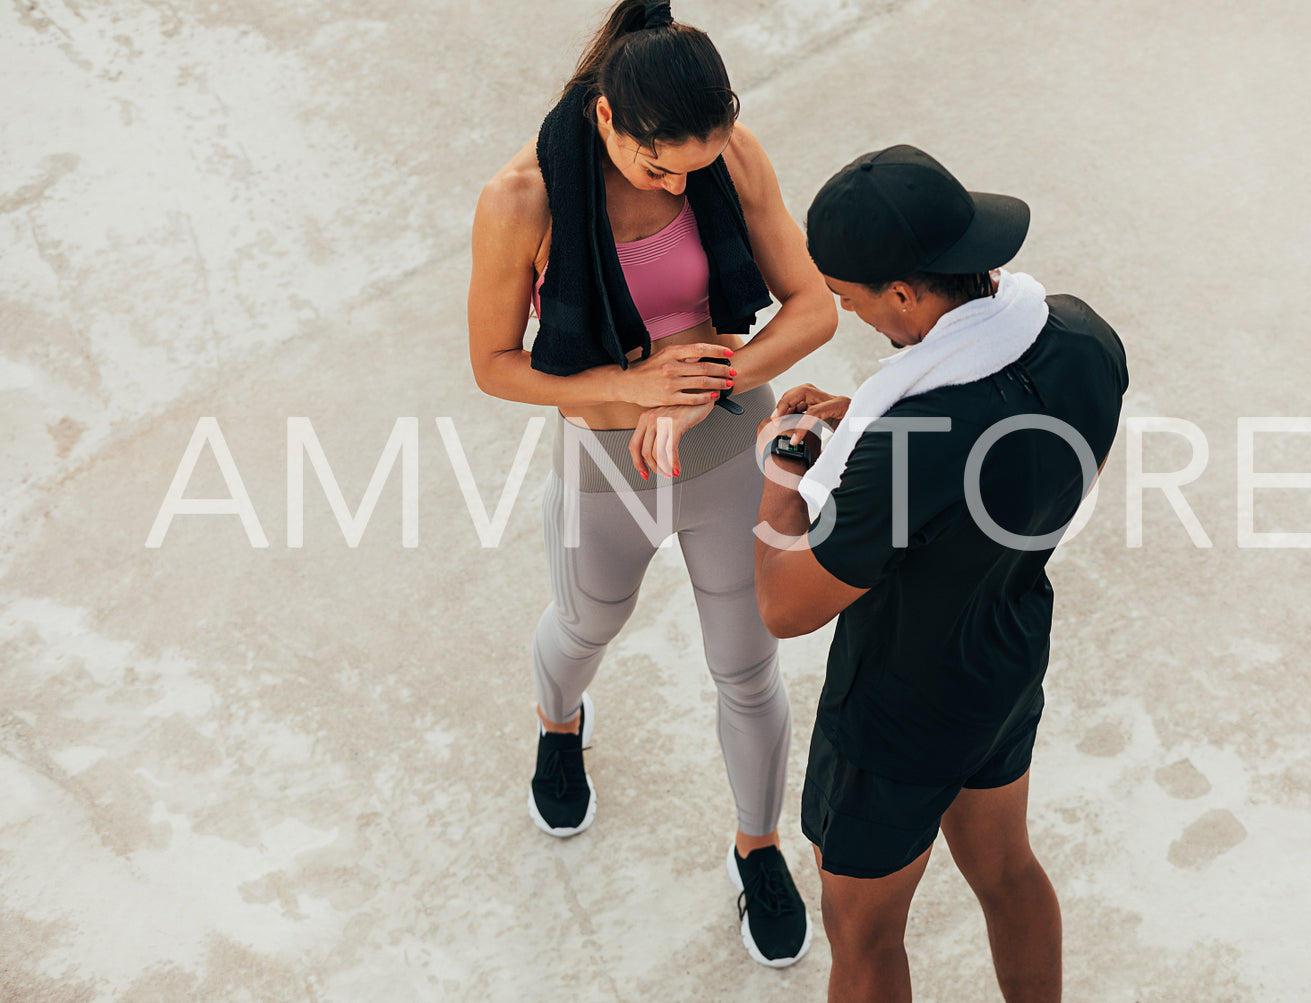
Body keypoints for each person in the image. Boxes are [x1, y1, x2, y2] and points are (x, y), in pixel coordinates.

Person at [466, 0, 835, 968]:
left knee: (745, 668)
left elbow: (808, 310)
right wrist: (633, 387)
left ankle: (756, 848)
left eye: (697, 165)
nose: (682, 182)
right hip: (605, 467)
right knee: (584, 625)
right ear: (605, 123)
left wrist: (712, 379)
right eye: (658, 166)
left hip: (726, 454)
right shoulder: (522, 198)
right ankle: (559, 723)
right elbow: (495, 363)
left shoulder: (727, 156)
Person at [752, 145, 1129, 1001]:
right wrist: (872, 437)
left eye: (852, 302)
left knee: (862, 932)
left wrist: (782, 471)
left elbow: (784, 603)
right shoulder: (1078, 333)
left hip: (893, 716)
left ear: (904, 295)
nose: (854, 318)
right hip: (1002, 660)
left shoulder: (910, 446)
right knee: (1005, 869)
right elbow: (1051, 469)